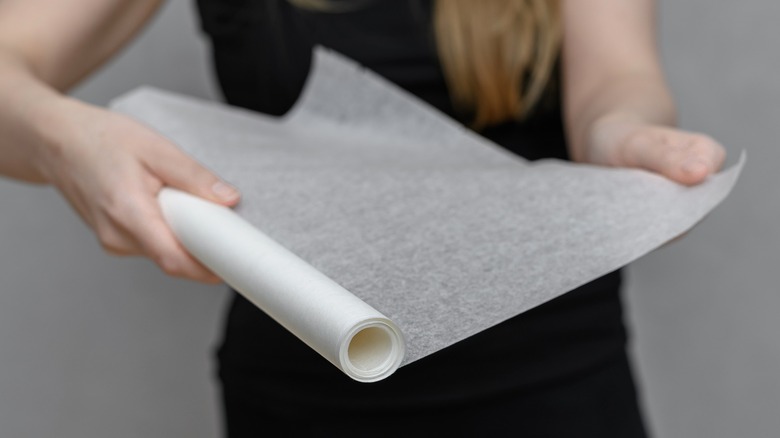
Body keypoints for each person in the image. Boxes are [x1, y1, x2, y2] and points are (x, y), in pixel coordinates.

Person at [0, 0, 726, 436]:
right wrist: (64, 140)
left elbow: (617, 78)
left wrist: (625, 136)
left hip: (557, 374)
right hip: (310, 377)